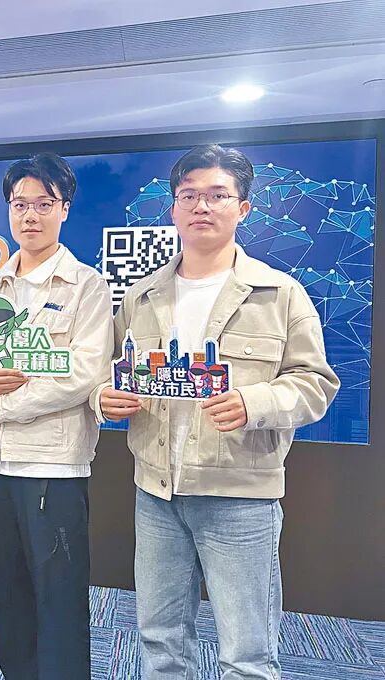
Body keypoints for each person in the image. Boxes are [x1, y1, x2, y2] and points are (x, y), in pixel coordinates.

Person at [93, 144, 340, 680]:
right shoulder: (141, 296)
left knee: (247, 654)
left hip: (240, 498)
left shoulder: (280, 294)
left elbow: (316, 384)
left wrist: (255, 402)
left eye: (217, 195)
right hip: (155, 494)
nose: (201, 206)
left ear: (242, 207)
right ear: (173, 208)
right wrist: (103, 399)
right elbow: (110, 373)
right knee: (159, 638)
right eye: (189, 196)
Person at [0, 152, 114, 679]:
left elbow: (83, 375)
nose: (30, 216)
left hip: (53, 467)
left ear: (64, 209)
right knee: (4, 595)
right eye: (19, 204)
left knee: (59, 600)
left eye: (43, 204)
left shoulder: (87, 286)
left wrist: (2, 406)